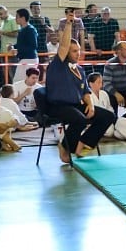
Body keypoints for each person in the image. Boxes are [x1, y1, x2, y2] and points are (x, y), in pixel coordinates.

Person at [46, 10, 115, 163]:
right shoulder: (58, 64)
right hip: (58, 106)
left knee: (108, 116)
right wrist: (70, 23)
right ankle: (64, 146)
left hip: (76, 105)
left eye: (78, 50)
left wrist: (90, 105)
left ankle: (83, 143)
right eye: (74, 51)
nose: (78, 54)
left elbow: (85, 91)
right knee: (80, 120)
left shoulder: (80, 69)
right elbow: (63, 46)